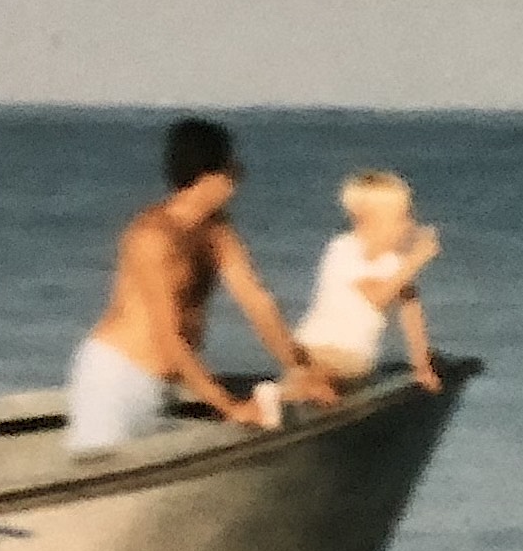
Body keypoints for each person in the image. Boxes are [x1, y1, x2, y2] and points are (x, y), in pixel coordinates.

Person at [66, 117, 331, 455]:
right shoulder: (151, 237)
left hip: (163, 385)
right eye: (232, 167)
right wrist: (228, 406)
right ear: (210, 175)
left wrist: (301, 370)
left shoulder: (216, 231)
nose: (240, 177)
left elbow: (257, 302)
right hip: (115, 379)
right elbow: (168, 335)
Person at [292, 168, 444, 392]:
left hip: (356, 356)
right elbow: (376, 298)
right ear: (366, 220)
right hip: (318, 348)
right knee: (310, 387)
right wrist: (415, 261)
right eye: (400, 218)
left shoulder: (394, 262)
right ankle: (276, 402)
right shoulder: (344, 249)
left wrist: (421, 364)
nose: (409, 225)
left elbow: (410, 311)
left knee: (343, 380)